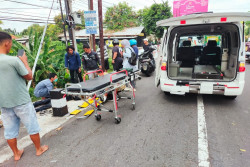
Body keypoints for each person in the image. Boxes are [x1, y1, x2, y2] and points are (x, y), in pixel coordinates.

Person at [0, 31, 48, 161]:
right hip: (21, 100)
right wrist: (24, 61)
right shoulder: (14, 60)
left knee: (9, 131)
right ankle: (39, 149)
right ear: (7, 43)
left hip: (4, 102)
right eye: (10, 43)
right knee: (31, 125)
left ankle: (16, 154)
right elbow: (29, 76)